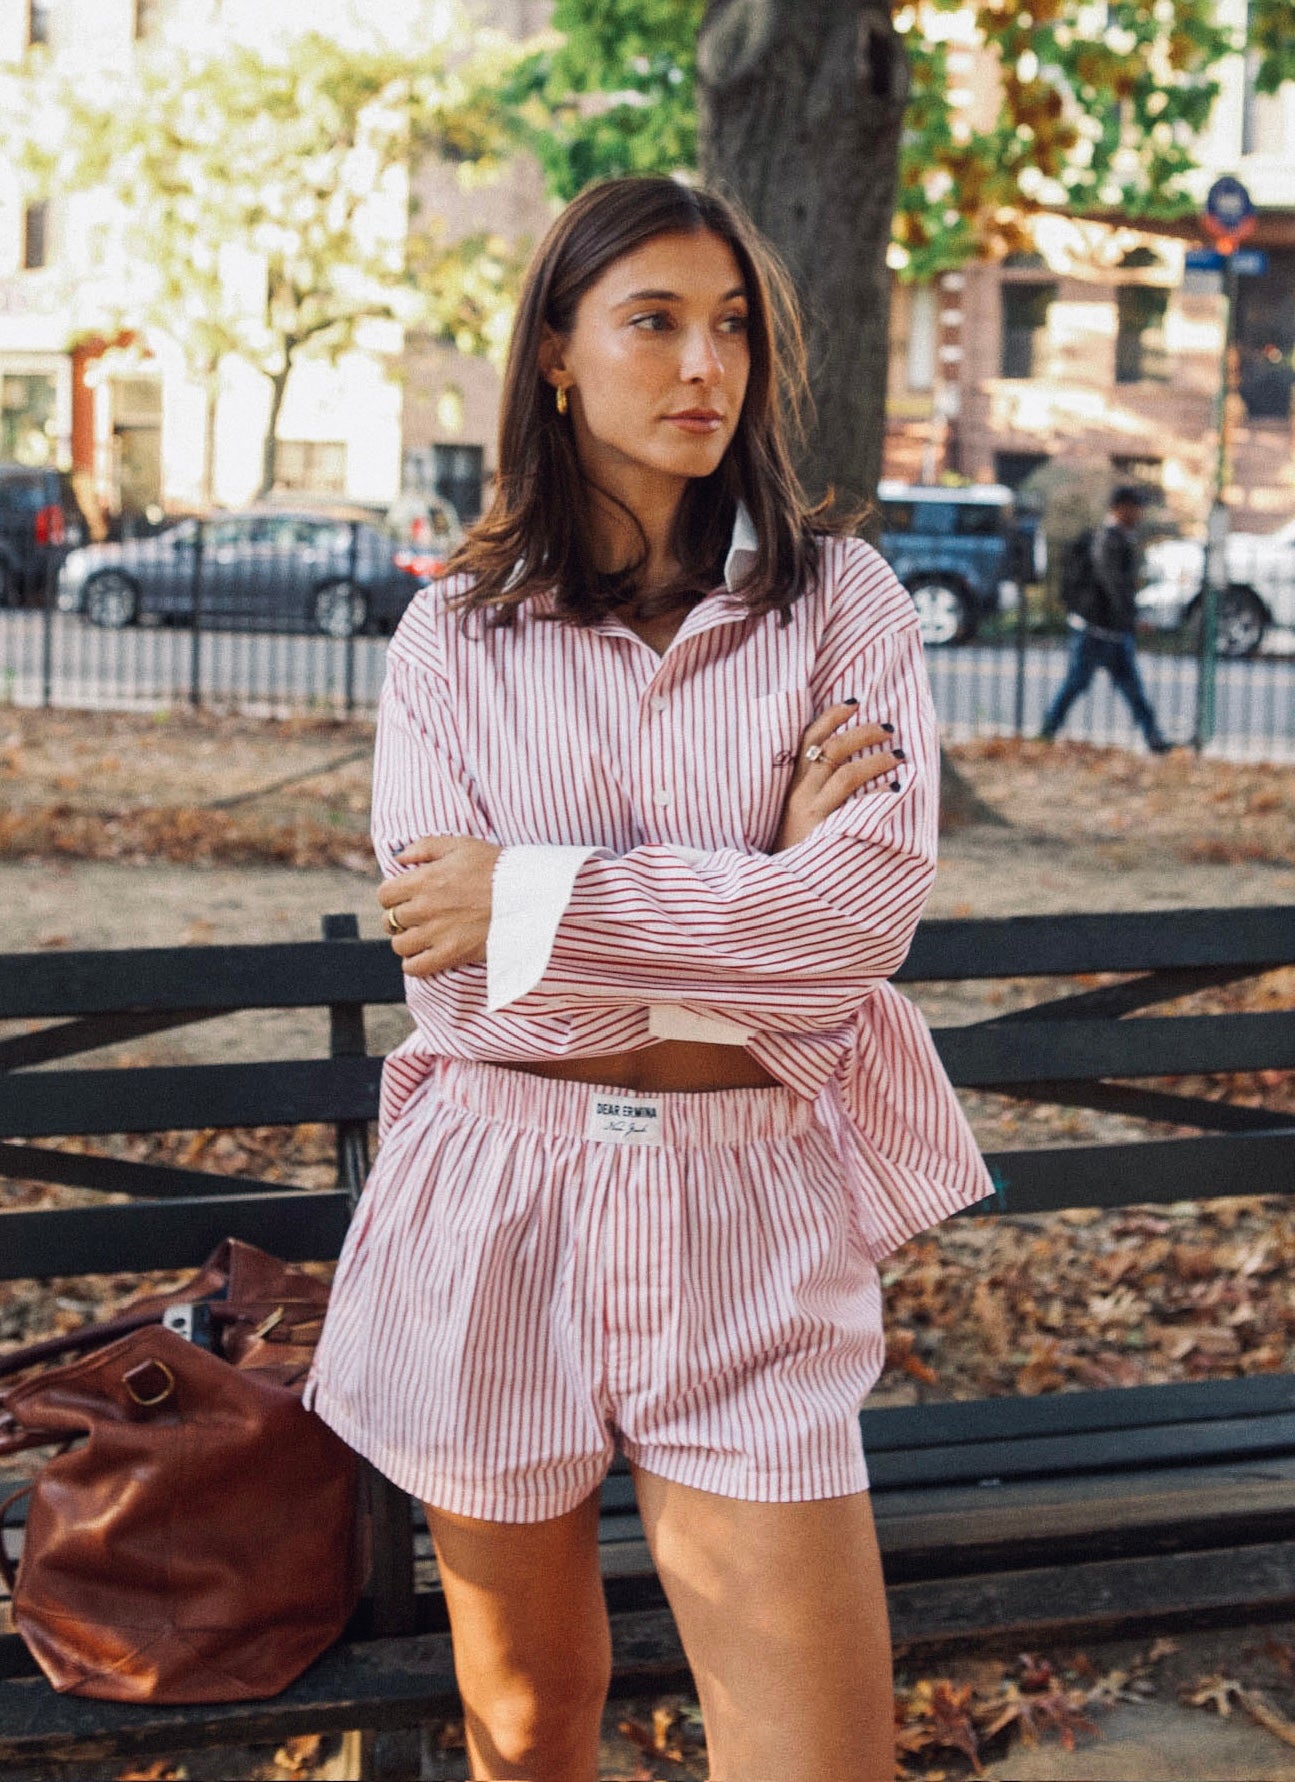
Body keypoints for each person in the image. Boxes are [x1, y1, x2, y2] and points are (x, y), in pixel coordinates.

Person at [305, 176, 994, 1782]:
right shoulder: (452, 638)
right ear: (554, 354)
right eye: (655, 320)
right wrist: (754, 883)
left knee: (821, 1758)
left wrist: (535, 893)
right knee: (530, 1728)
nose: (706, 365)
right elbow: (458, 980)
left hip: (745, 1207)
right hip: (494, 1199)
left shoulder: (839, 603)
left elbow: (857, 925)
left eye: (733, 325)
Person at [1039, 485, 1172, 752]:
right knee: (1080, 683)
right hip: (1096, 629)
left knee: (1128, 688)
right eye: (1135, 507)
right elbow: (1113, 584)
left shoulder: (1118, 538)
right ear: (1120, 508)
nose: (1140, 513)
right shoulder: (1109, 539)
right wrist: (1131, 617)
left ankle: (1154, 738)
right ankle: (1047, 731)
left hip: (1109, 629)